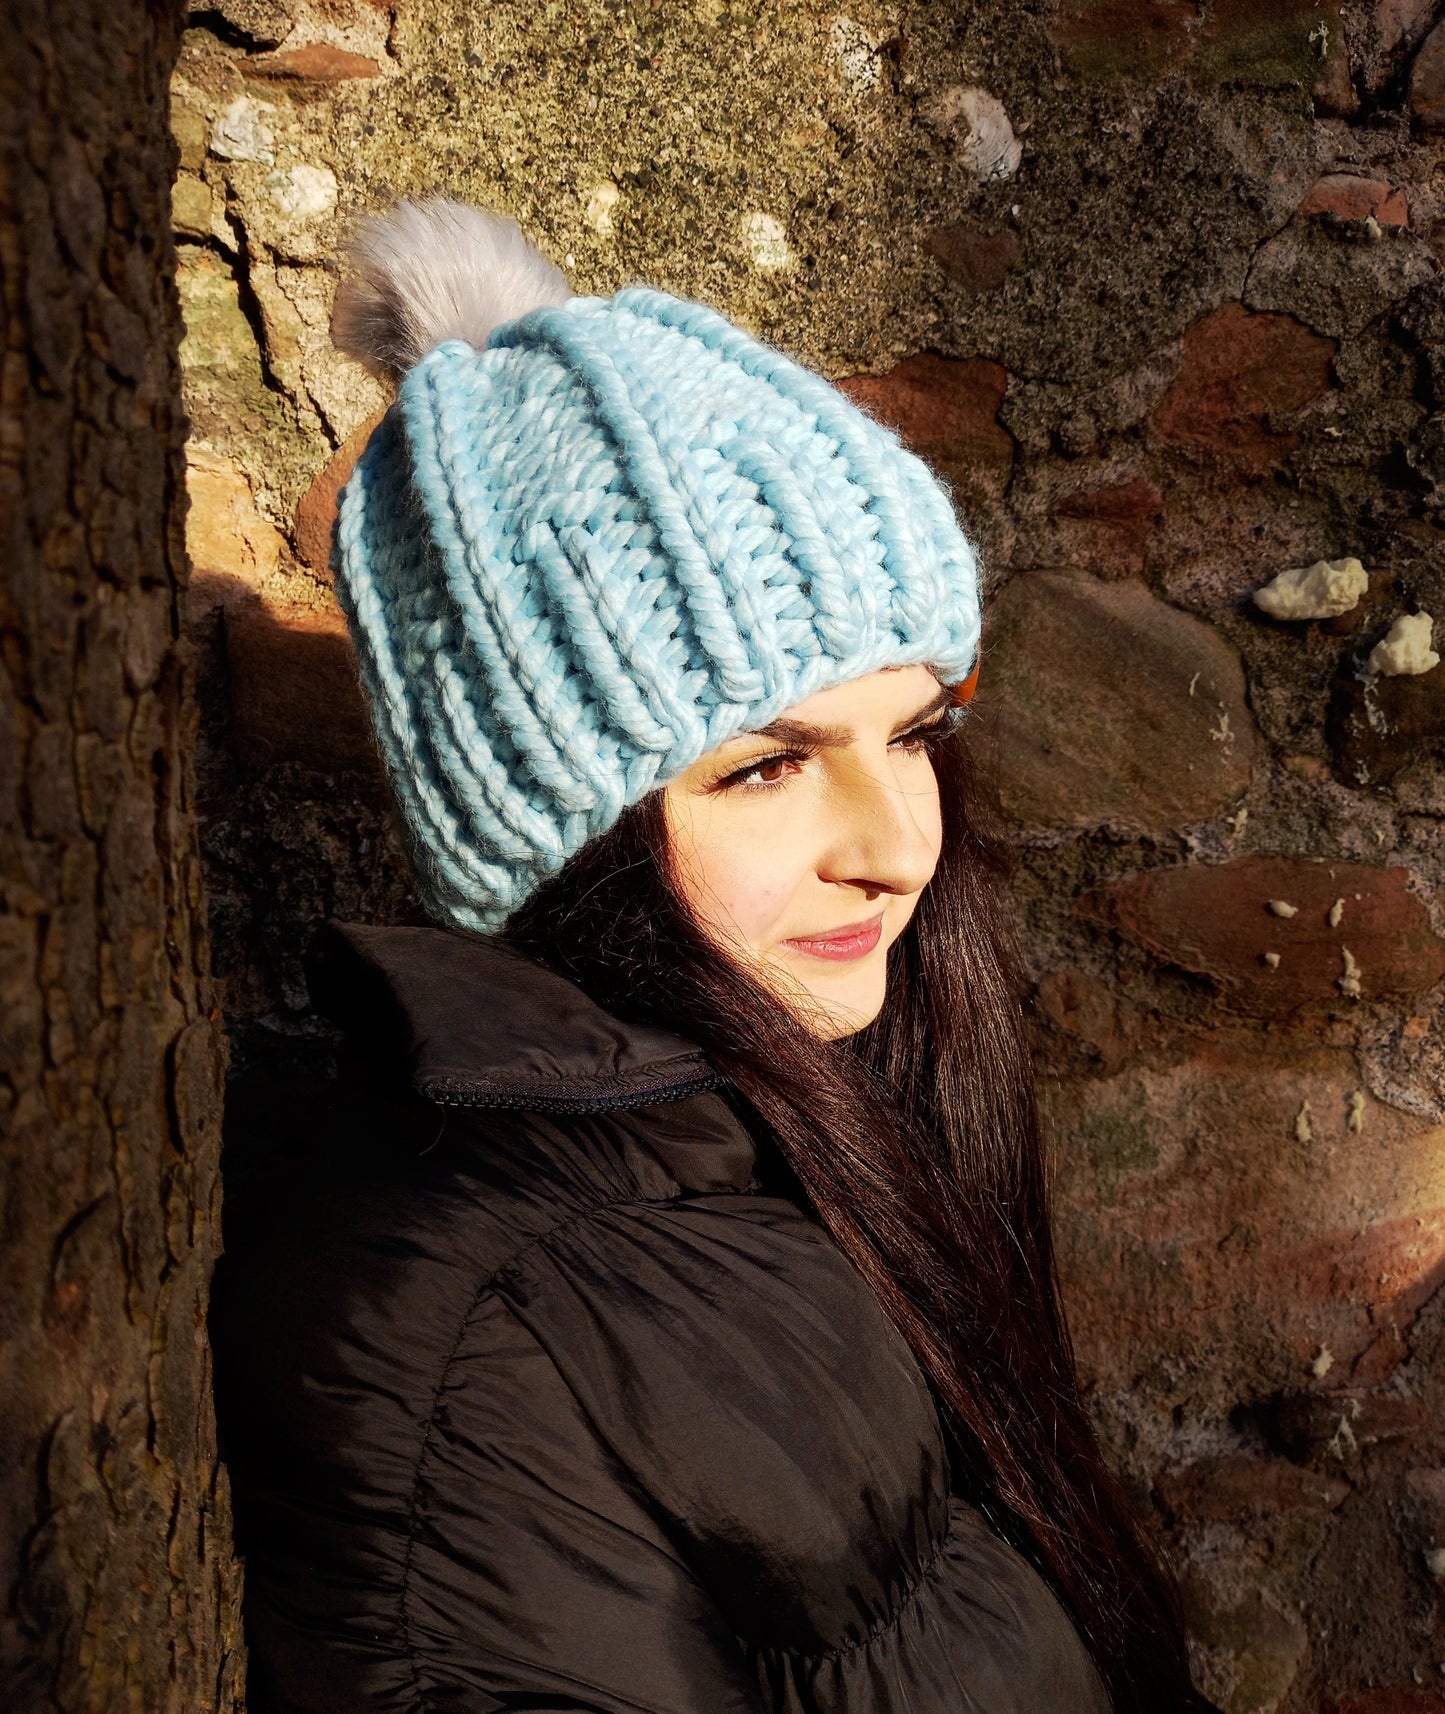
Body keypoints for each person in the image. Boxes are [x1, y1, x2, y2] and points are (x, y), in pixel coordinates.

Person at [209, 198, 1216, 1714]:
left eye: (913, 731)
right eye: (763, 766)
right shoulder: (484, 1344)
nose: (894, 842)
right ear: (555, 826)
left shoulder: (778, 1138)